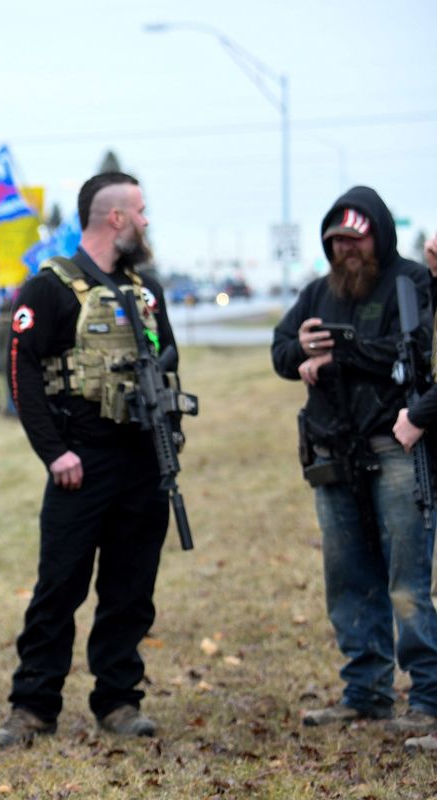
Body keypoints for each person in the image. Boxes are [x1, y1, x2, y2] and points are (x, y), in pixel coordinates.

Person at [0, 172, 181, 748]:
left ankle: (119, 700)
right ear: (115, 218)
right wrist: (56, 453)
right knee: (60, 588)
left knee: (130, 590)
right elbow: (21, 374)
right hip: (82, 462)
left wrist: (171, 444)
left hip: (144, 464)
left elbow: (168, 370)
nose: (147, 221)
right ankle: (32, 706)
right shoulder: (49, 288)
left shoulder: (147, 293)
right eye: (141, 211)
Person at [272, 186, 437, 735]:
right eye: (337, 241)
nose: (347, 250)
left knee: (405, 581)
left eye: (356, 239)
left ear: (379, 236)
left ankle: (428, 700)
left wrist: (338, 352)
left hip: (394, 446)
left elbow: (409, 350)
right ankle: (364, 693)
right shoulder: (318, 292)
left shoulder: (410, 282)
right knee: (348, 577)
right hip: (331, 453)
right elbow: (280, 352)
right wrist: (301, 350)